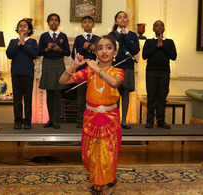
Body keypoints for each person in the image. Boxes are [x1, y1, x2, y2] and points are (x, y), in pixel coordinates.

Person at [59, 35, 124, 195]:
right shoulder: (89, 71)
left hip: (110, 119)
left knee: (108, 154)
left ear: (114, 52)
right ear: (96, 51)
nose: (104, 51)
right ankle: (98, 179)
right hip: (91, 118)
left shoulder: (118, 71)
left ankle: (105, 183)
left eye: (108, 47)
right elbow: (63, 81)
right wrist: (73, 65)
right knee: (90, 154)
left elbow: (115, 83)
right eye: (100, 47)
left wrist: (97, 69)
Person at [142, 20, 177, 129]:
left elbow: (173, 56)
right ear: (153, 29)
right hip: (151, 72)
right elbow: (144, 56)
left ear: (164, 28)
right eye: (157, 26)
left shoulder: (170, 42)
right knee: (151, 96)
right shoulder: (149, 42)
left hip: (164, 73)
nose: (159, 27)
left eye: (161, 25)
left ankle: (161, 121)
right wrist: (156, 46)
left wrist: (163, 46)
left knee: (162, 97)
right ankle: (150, 121)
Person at [38, 13, 70, 129]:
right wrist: (47, 48)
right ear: (48, 23)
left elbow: (67, 53)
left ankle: (56, 120)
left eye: (56, 20)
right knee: (49, 92)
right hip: (47, 63)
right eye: (51, 20)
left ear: (59, 23)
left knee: (57, 93)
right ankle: (50, 119)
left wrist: (59, 49)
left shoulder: (63, 36)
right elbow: (38, 52)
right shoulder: (44, 36)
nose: (54, 22)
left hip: (59, 63)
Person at [109, 11, 140, 129]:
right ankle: (115, 119)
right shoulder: (111, 35)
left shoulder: (132, 35)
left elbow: (135, 50)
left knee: (125, 92)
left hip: (128, 67)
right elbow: (111, 49)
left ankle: (124, 120)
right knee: (115, 93)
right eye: (119, 17)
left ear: (127, 20)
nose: (122, 19)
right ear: (116, 21)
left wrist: (125, 36)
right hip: (116, 67)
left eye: (124, 17)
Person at [6, 19, 38, 130]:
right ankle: (17, 121)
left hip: (28, 74)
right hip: (16, 73)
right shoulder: (13, 42)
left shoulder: (32, 42)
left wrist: (23, 45)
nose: (22, 28)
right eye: (20, 26)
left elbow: (34, 54)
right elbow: (9, 54)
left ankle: (27, 121)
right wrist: (19, 44)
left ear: (29, 30)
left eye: (25, 26)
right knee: (17, 99)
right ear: (18, 29)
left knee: (28, 99)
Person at [71, 15, 99, 128]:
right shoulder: (78, 38)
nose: (87, 24)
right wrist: (83, 48)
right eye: (85, 22)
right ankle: (80, 119)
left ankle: (94, 119)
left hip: (94, 71)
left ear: (93, 25)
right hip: (82, 71)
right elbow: (74, 55)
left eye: (90, 22)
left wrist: (94, 49)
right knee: (81, 96)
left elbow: (101, 55)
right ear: (82, 25)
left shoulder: (97, 38)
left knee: (94, 96)